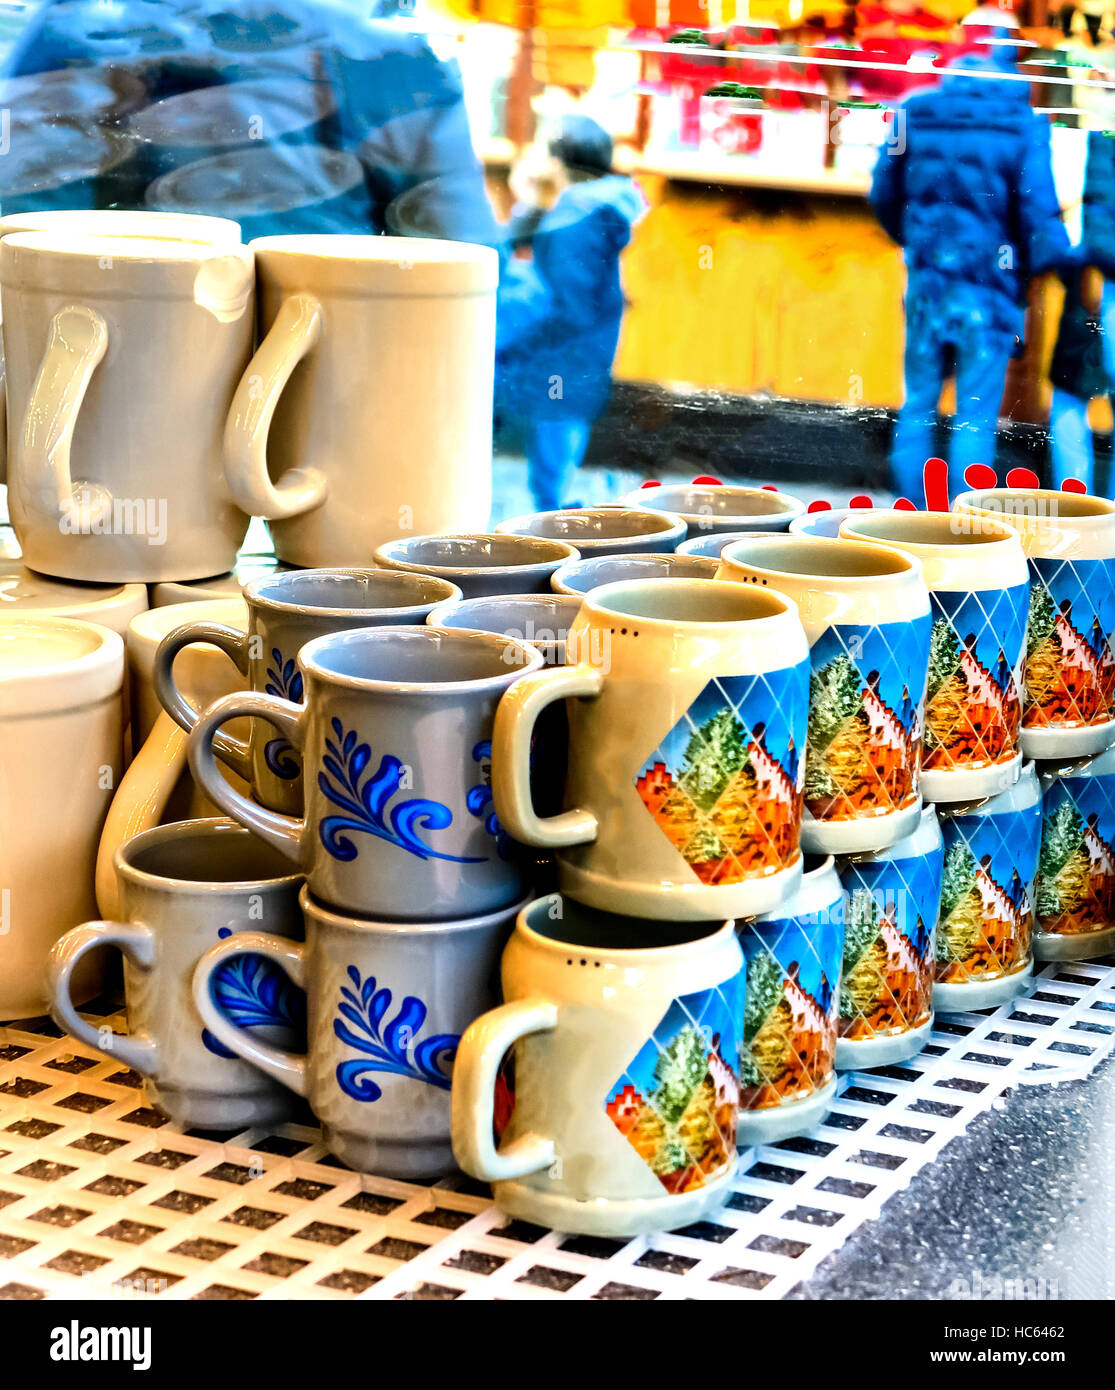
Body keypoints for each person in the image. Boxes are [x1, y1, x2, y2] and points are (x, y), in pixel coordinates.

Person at [1, 0, 500, 244]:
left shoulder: (66, 30)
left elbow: (20, 221)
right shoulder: (389, 53)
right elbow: (463, 262)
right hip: (322, 381)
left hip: (105, 379)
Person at [870, 18, 1076, 501]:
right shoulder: (1023, 124)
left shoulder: (915, 111)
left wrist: (917, 243)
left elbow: (882, 194)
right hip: (988, 290)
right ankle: (960, 538)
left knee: (917, 404)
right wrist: (1051, 265)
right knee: (974, 416)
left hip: (927, 284)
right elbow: (1039, 218)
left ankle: (910, 524)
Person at [495, 115, 646, 512]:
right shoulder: (596, 204)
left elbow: (567, 304)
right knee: (557, 442)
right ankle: (553, 513)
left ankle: (551, 524)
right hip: (582, 352)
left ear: (556, 161)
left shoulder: (575, 215)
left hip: (558, 354)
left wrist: (512, 348)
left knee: (552, 449)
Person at [1048, 127, 1115, 492]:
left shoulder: (1100, 132)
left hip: (1096, 279)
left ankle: (1077, 525)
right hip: (1096, 277)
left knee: (1070, 399)